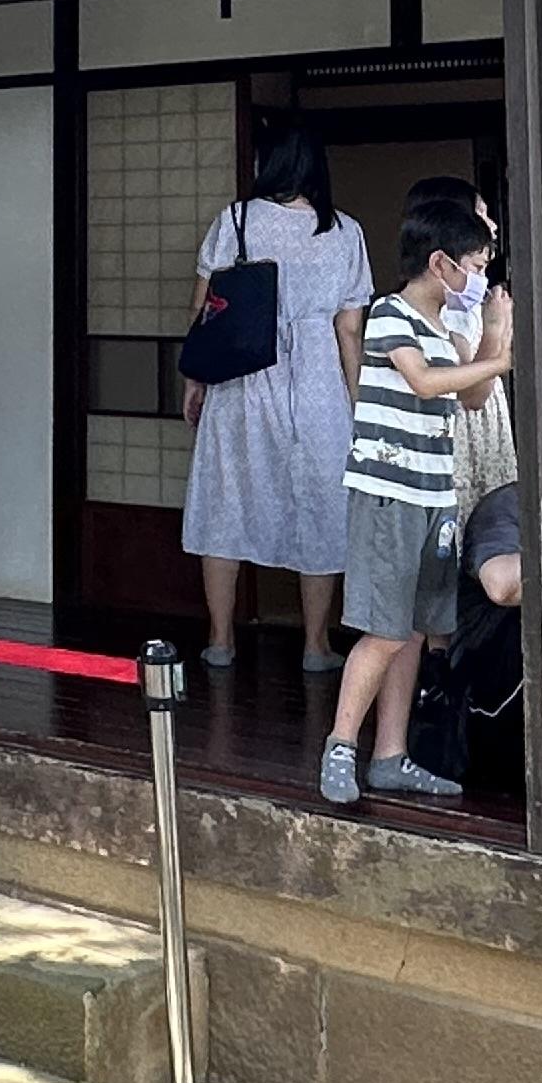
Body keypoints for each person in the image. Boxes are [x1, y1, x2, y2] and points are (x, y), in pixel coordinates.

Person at [321, 198, 506, 804]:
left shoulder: (445, 328)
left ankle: (390, 756)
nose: (479, 276)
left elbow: (474, 397)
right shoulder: (389, 314)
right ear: (440, 263)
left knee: (414, 631)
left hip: (434, 492)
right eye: (475, 264)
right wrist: (501, 357)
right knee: (383, 630)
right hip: (387, 494)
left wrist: (495, 333)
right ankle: (340, 746)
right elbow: (424, 382)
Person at [179, 120, 374, 672]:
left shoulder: (236, 220)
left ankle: (220, 639)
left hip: (241, 378)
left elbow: (203, 310)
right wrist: (358, 406)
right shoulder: (345, 231)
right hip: (318, 385)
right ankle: (315, 645)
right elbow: (350, 330)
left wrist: (194, 379)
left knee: (227, 502)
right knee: (321, 504)